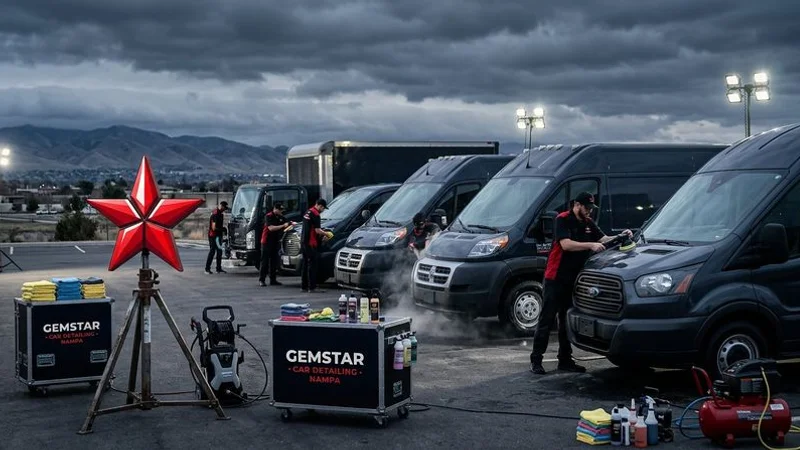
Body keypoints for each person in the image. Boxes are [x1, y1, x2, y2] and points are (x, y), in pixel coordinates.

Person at [529, 192, 632, 375]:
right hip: (555, 278)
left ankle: (565, 360)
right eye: (587, 207)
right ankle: (536, 360)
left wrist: (621, 236)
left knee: (565, 321)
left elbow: (603, 239)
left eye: (591, 208)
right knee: (547, 319)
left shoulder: (588, 223)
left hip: (572, 279)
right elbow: (566, 244)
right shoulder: (562, 219)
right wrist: (590, 245)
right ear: (577, 205)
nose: (589, 211)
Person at [259, 202, 292, 286]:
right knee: (265, 261)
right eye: (280, 210)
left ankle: (273, 279)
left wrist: (290, 224)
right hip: (266, 241)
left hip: (275, 241)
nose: (281, 212)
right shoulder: (268, 216)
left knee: (274, 261)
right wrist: (283, 226)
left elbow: (287, 223)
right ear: (275, 209)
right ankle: (262, 279)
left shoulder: (281, 217)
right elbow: (271, 228)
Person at [301, 198, 329, 293]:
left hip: (303, 241)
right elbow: (317, 230)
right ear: (320, 206)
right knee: (312, 265)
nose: (323, 210)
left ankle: (304, 286)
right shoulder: (316, 214)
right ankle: (312, 287)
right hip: (311, 242)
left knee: (305, 264)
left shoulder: (307, 212)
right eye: (323, 208)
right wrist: (326, 234)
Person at [205, 201, 229, 274]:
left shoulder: (221, 214)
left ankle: (218, 269)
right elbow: (213, 228)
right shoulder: (215, 214)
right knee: (212, 252)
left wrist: (223, 230)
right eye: (224, 208)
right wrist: (223, 229)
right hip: (213, 236)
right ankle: (207, 269)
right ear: (221, 206)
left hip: (218, 236)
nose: (224, 210)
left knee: (219, 252)